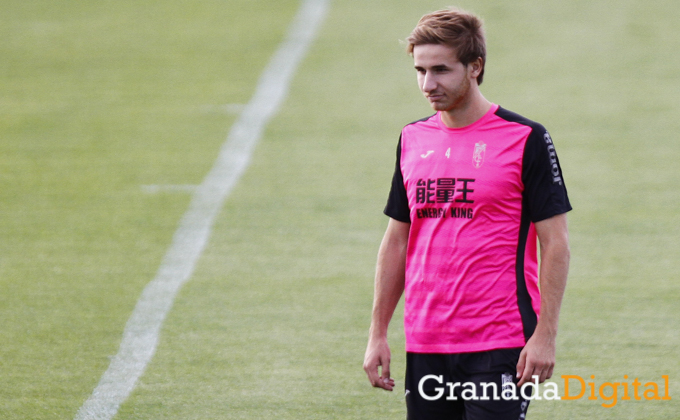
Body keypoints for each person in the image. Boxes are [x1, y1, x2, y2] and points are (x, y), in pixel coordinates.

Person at [362, 7, 571, 420]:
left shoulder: (526, 138)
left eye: (441, 70)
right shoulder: (411, 138)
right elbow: (397, 240)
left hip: (500, 340)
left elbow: (556, 244)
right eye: (420, 70)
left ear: (475, 67)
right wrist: (377, 333)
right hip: (425, 341)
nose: (427, 83)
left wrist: (544, 336)